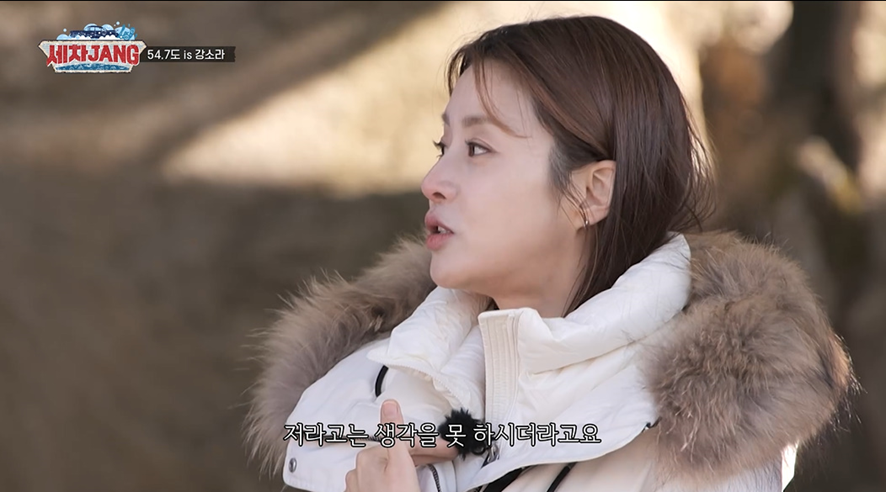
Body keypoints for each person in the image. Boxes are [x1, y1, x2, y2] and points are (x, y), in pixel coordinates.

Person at [244, 14, 855, 492]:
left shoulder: (701, 430)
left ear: (591, 192)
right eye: (442, 145)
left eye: (477, 148)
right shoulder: (357, 392)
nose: (433, 180)